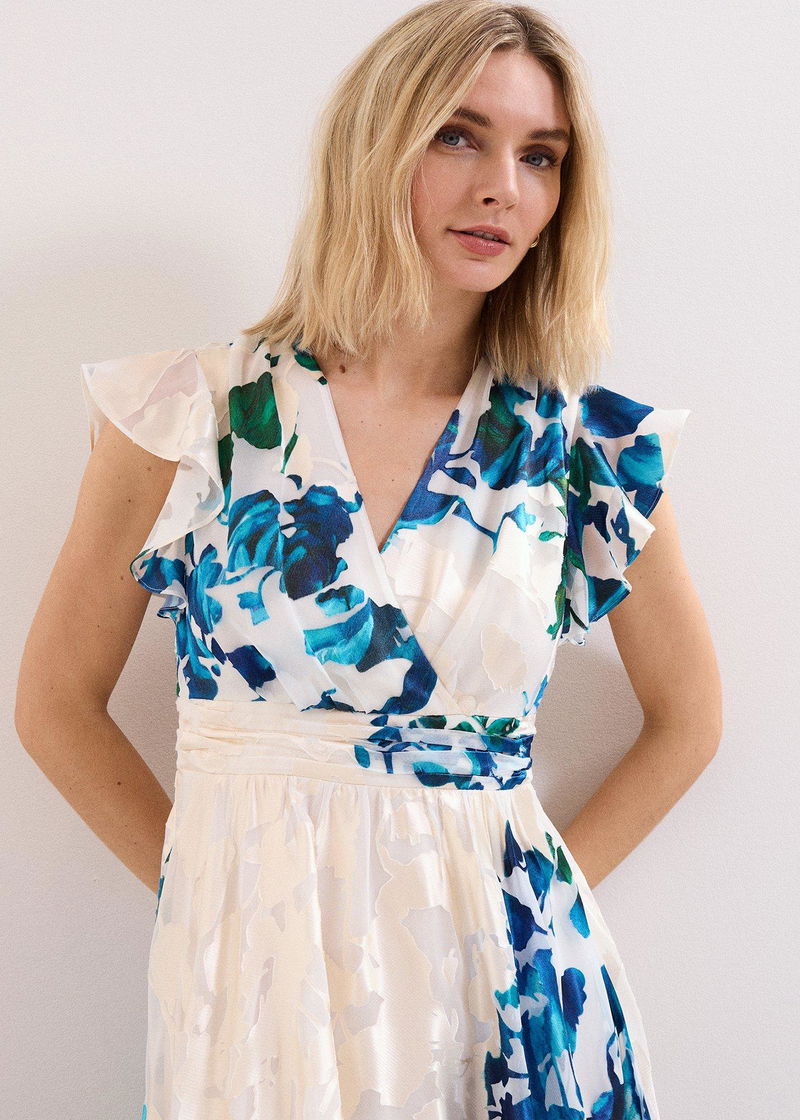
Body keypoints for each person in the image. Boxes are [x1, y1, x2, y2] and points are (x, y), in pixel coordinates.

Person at [16, 1, 722, 1116]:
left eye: (540, 156)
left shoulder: (585, 448)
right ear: (373, 143)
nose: (502, 187)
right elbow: (54, 700)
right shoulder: (190, 416)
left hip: (506, 996)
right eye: (458, 135)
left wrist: (533, 906)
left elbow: (690, 718)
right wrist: (202, 889)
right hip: (250, 988)